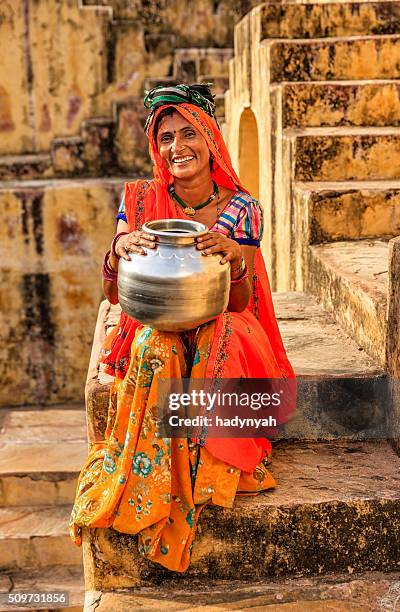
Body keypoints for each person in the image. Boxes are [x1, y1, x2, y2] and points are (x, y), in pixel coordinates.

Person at [69, 83, 295, 572]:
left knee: (221, 339)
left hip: (225, 320)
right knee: (154, 344)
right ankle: (152, 486)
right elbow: (115, 295)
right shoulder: (142, 200)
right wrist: (117, 253)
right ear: (156, 147)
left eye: (188, 133)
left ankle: (206, 474)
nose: (178, 147)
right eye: (166, 137)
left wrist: (237, 259)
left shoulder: (241, 208)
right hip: (165, 321)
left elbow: (238, 303)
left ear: (210, 138)